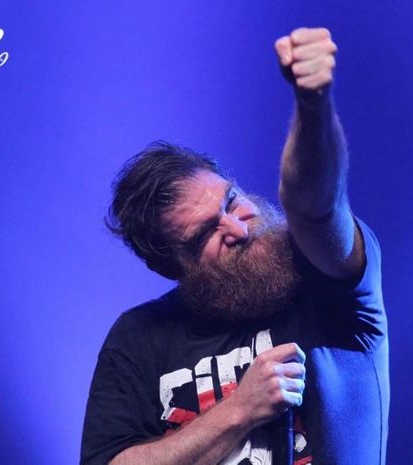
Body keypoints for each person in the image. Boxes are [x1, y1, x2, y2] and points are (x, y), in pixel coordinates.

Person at [81, 27, 389, 465]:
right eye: (205, 234)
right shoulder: (139, 337)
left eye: (231, 201)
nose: (239, 229)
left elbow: (315, 202)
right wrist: (239, 411)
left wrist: (313, 105)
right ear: (172, 266)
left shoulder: (327, 281)